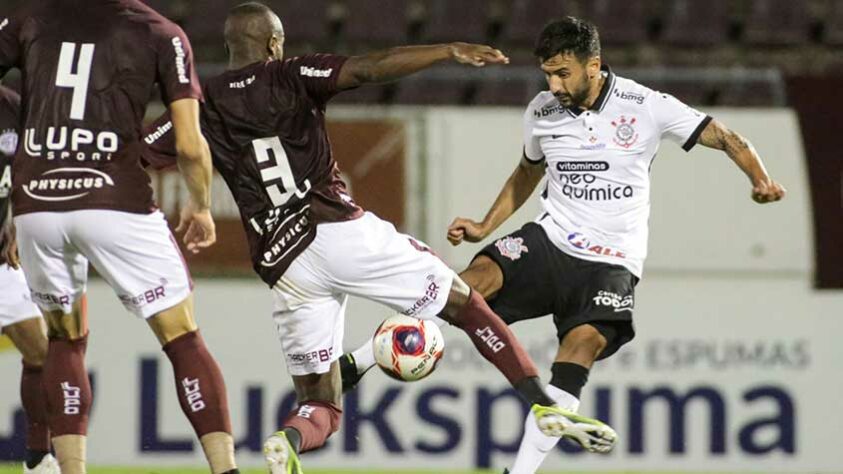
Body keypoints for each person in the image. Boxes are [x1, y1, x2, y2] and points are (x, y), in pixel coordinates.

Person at [142, 3, 617, 473]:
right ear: (274, 43)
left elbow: (141, 151)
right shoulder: (289, 73)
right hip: (335, 229)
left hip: (283, 264)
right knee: (465, 304)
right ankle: (541, 403)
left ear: (228, 46)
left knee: (320, 404)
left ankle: (288, 439)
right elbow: (370, 68)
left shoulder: (198, 103)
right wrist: (447, 49)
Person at [340, 16, 786, 474]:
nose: (553, 84)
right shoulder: (541, 110)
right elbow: (528, 172)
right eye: (547, 74)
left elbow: (729, 137)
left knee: (582, 344)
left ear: (593, 65)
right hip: (550, 239)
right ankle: (355, 363)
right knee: (469, 283)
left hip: (611, 260)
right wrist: (483, 224)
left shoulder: (646, 106)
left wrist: (761, 180)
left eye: (562, 73)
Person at [0, 2, 240, 473]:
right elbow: (190, 144)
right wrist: (202, 205)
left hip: (38, 203)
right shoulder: (161, 31)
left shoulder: (30, 15)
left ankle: (68, 468)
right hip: (116, 198)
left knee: (64, 342)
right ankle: (224, 468)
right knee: (183, 339)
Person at [0, 84, 59, 474]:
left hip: (1, 260)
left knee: (40, 350)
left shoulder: (14, 107)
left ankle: (37, 457)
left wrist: (16, 222)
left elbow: (30, 170)